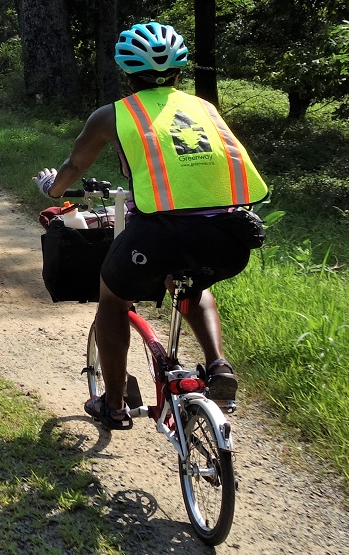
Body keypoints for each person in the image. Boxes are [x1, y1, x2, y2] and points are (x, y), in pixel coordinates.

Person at [36, 22, 269, 428]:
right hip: (230, 236)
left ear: (126, 73)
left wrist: (51, 189)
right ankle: (218, 366)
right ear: (180, 72)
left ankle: (113, 405)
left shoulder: (113, 114)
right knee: (196, 283)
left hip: (160, 234)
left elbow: (74, 167)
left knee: (112, 298)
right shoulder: (205, 109)